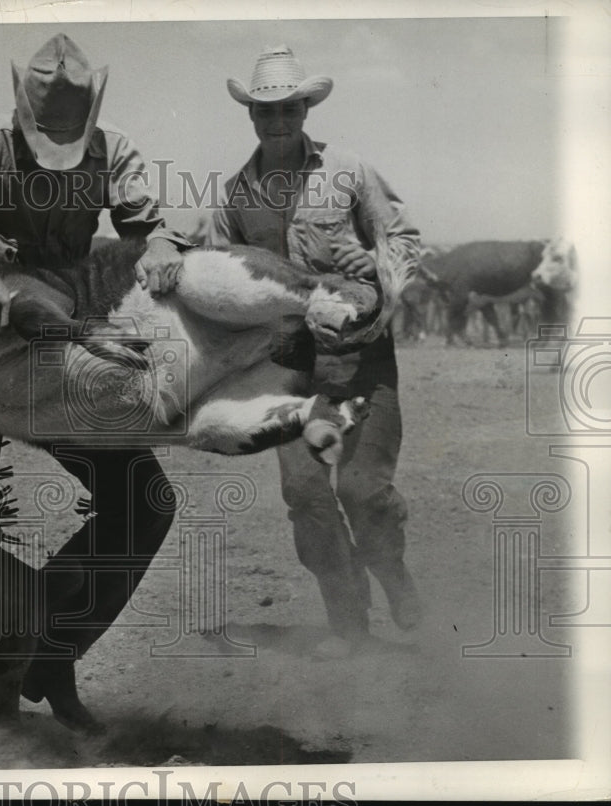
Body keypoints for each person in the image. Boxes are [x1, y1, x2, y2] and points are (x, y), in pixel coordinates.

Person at [0, 33, 189, 729]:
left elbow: (149, 224)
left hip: (62, 347)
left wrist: (161, 247)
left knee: (143, 500)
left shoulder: (115, 150)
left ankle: (52, 650)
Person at [197, 45, 423, 659]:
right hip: (288, 373)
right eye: (265, 111)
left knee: (363, 489)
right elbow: (215, 274)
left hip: (361, 359)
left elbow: (402, 236)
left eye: (288, 108)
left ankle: (394, 574)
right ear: (251, 116)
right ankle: (350, 624)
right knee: (307, 496)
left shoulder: (347, 170)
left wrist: (371, 262)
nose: (277, 120)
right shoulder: (236, 194)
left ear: (304, 108)